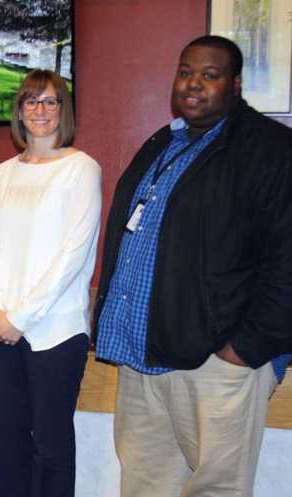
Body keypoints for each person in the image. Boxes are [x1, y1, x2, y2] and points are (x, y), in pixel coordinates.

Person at [94, 35, 292, 497]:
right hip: (143, 356)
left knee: (215, 489)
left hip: (216, 364)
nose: (193, 84)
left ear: (236, 84)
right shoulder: (165, 142)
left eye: (210, 74)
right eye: (186, 72)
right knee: (144, 485)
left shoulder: (270, 150)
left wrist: (244, 348)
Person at [0, 69, 101, 497]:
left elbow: (73, 257)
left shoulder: (81, 169)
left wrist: (21, 318)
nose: (40, 110)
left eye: (50, 101)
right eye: (32, 101)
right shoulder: (4, 172)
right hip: (0, 329)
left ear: (63, 110)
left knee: (51, 448)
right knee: (5, 445)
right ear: (20, 112)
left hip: (55, 332)